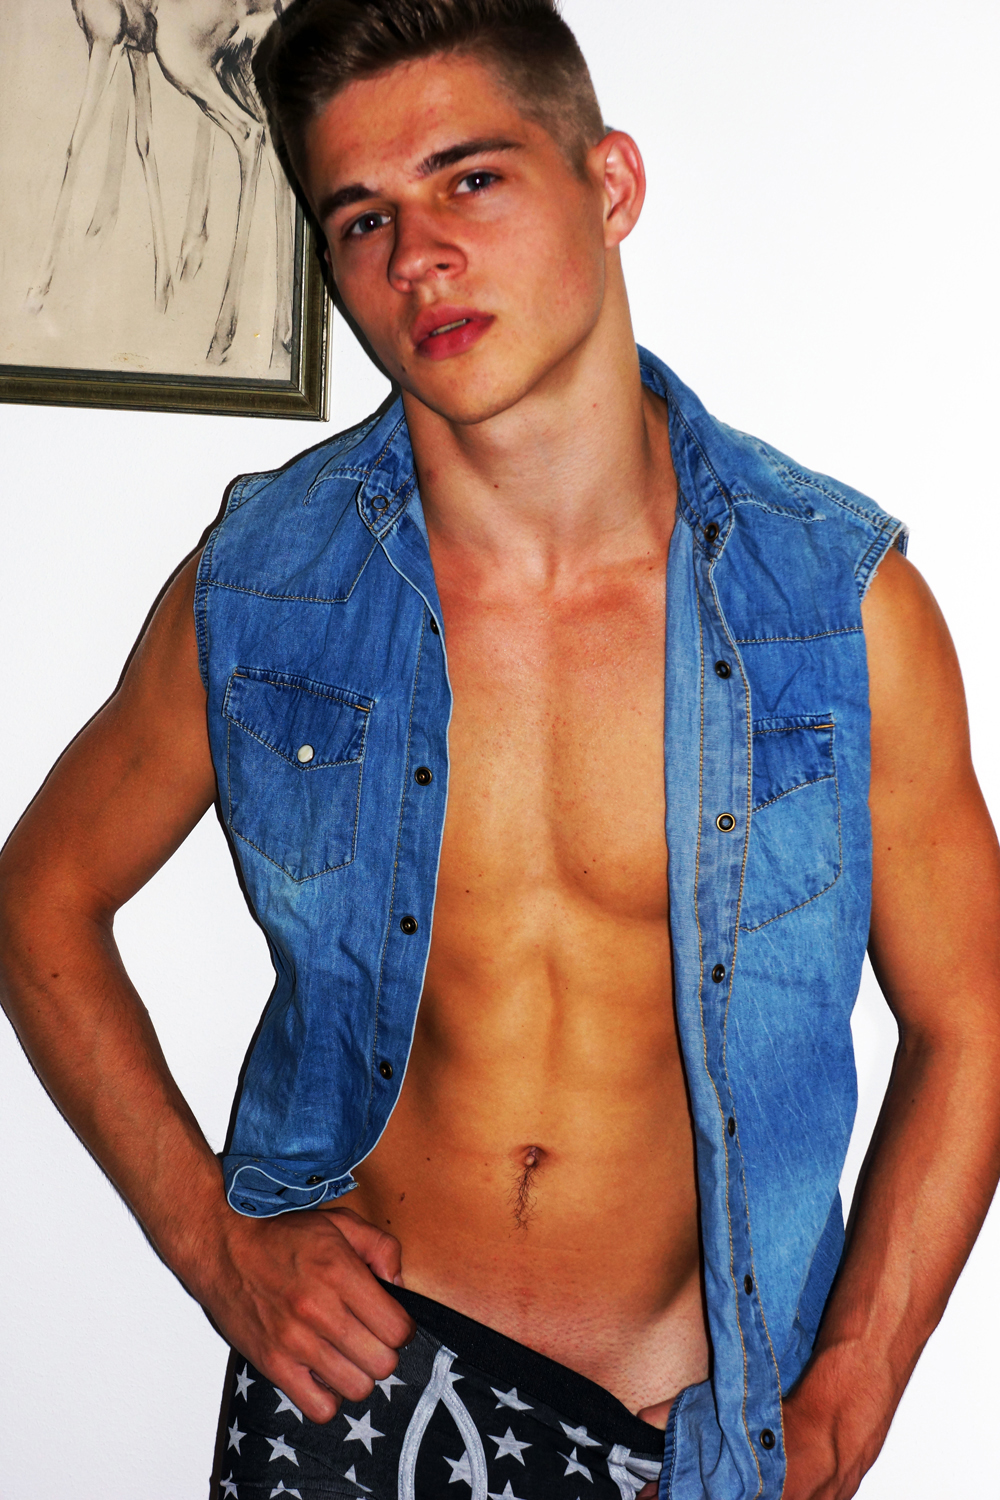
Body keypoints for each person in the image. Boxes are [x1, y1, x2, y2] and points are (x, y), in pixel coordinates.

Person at [1, 1, 998, 1496]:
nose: (417, 258)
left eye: (470, 179)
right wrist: (213, 1244)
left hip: (692, 1434)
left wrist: (852, 1391)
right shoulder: (268, 587)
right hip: (353, 1404)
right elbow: (37, 898)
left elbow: (974, 1016)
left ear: (611, 185)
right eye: (363, 219)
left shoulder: (833, 608)